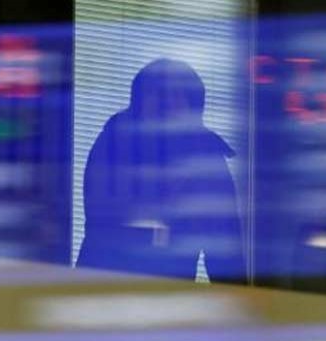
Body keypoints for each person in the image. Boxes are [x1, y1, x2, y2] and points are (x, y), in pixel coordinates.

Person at [76, 59, 247, 283]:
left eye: (178, 96)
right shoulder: (115, 142)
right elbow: (107, 220)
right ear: (139, 102)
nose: (167, 104)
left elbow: (225, 248)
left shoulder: (206, 154)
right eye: (157, 95)